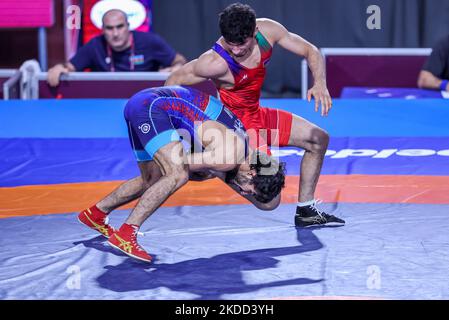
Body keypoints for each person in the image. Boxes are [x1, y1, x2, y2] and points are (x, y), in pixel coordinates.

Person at [165, 3, 344, 228]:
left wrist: (320, 84)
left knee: (318, 139)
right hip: (238, 128)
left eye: (242, 44)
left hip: (257, 114)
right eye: (231, 45)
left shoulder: (269, 31)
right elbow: (172, 83)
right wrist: (178, 132)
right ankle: (217, 165)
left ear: (255, 32)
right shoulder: (213, 62)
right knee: (269, 201)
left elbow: (310, 50)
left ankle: (306, 209)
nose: (237, 51)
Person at [78, 85, 286, 262]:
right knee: (177, 175)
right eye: (250, 190)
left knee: (152, 179)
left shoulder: (242, 150)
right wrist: (206, 170)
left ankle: (96, 213)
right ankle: (126, 233)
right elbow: (180, 164)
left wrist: (206, 169)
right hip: (151, 108)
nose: (244, 192)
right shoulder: (228, 158)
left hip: (146, 104)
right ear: (251, 173)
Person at [47, 9, 186, 87]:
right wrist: (59, 68)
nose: (115, 33)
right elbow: (69, 66)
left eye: (120, 26)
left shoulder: (150, 41)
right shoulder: (95, 45)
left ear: (128, 26)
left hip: (146, 101)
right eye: (109, 28)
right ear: (102, 30)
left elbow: (179, 60)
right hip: (104, 103)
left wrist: (177, 67)